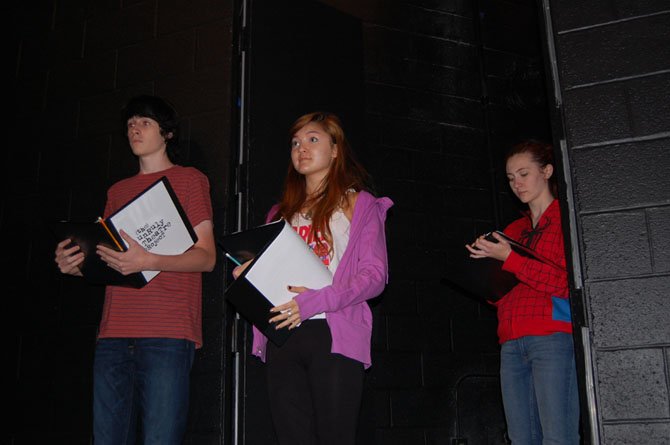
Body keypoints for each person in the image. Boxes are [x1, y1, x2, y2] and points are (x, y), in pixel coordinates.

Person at [54, 95, 216, 444]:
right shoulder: (117, 190)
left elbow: (207, 257)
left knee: (160, 438)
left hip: (167, 332)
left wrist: (150, 260)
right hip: (113, 334)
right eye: (130, 124)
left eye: (144, 122)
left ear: (167, 132)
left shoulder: (189, 180)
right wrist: (77, 266)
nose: (134, 129)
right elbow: (111, 262)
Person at [233, 111, 392, 445]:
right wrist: (249, 275)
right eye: (295, 143)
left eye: (312, 139)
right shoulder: (279, 214)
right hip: (284, 332)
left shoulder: (358, 204)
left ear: (335, 149)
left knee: (335, 436)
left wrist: (317, 300)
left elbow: (375, 276)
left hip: (332, 330)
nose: (301, 148)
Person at [465, 140, 579, 444]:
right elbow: (499, 295)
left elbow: (564, 284)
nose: (517, 183)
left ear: (547, 171)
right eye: (511, 177)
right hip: (511, 341)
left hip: (552, 337)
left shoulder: (565, 220)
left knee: (558, 437)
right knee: (520, 438)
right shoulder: (513, 230)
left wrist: (509, 259)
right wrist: (483, 266)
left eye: (524, 173)